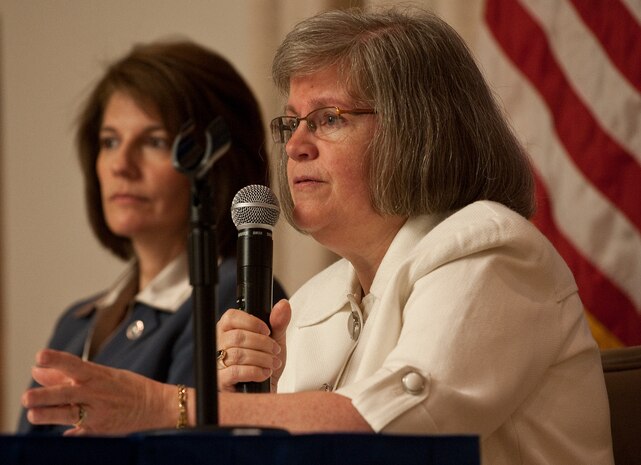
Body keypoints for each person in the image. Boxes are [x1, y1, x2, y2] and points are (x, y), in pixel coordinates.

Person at [21, 7, 614, 464]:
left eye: (329, 118)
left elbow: (384, 435)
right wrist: (248, 410)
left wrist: (166, 406)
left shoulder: (493, 252)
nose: (296, 144)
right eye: (291, 122)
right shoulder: (312, 303)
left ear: (417, 131)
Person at [18, 39, 286, 434]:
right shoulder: (76, 322)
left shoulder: (231, 296)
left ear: (217, 163)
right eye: (110, 142)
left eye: (154, 142)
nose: (121, 165)